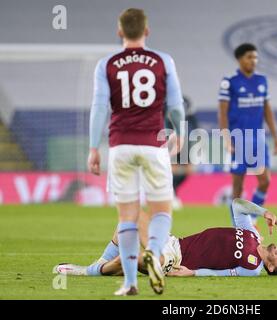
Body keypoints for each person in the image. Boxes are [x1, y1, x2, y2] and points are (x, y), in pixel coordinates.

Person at [87, 8, 184, 296]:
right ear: (147, 31)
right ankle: (154, 251)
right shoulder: (163, 61)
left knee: (127, 218)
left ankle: (130, 282)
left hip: (120, 147)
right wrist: (179, 132)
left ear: (119, 32)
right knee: (161, 211)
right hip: (153, 145)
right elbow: (176, 104)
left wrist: (94, 148)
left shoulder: (107, 64)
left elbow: (100, 108)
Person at [55, 199, 277, 277]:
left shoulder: (253, 267)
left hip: (173, 260)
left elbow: (222, 274)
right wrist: (265, 212)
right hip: (174, 241)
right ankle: (102, 265)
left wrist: (192, 273)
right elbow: (237, 205)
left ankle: (85, 271)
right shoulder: (253, 233)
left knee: (138, 257)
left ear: (272, 268)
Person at [218, 43, 277, 226]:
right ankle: (238, 227)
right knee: (238, 185)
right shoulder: (229, 82)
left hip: (258, 139)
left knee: (265, 181)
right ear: (239, 59)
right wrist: (226, 138)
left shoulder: (262, 80)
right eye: (249, 57)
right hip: (238, 138)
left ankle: (251, 218)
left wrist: (276, 137)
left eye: (255, 57)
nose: (253, 61)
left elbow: (267, 110)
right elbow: (222, 113)